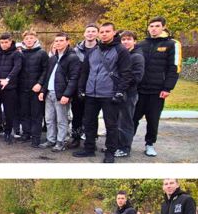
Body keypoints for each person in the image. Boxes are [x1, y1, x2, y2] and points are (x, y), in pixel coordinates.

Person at [73, 22, 133, 163]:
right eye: (102, 31)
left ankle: (110, 152)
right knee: (88, 123)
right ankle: (89, 148)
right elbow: (85, 71)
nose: (104, 34)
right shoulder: (94, 50)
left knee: (111, 125)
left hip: (109, 94)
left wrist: (119, 92)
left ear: (114, 32)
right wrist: (81, 88)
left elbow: (126, 73)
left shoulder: (121, 50)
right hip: (91, 94)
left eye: (107, 31)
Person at [133, 16, 181, 157]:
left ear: (163, 27)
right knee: (133, 118)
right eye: (151, 26)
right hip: (140, 89)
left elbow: (175, 68)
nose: (154, 28)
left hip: (157, 90)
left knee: (153, 119)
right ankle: (126, 142)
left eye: (157, 26)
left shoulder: (172, 44)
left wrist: (167, 88)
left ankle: (150, 144)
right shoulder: (141, 44)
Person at [41, 32, 81, 151]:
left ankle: (61, 141)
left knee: (61, 120)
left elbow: (74, 78)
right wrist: (43, 91)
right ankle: (51, 139)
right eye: (56, 41)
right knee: (49, 119)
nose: (58, 43)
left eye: (61, 40)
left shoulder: (72, 58)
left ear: (68, 42)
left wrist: (67, 94)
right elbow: (47, 76)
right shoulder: (53, 58)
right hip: (49, 93)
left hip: (61, 94)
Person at [114, 30, 145, 157]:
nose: (126, 41)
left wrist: (121, 85)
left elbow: (136, 77)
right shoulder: (121, 55)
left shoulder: (137, 57)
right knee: (116, 122)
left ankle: (125, 148)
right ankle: (116, 145)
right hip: (117, 93)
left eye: (129, 39)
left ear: (134, 41)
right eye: (123, 39)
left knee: (125, 122)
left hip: (128, 94)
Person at [67, 25, 98, 149]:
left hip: (95, 87)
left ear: (97, 34)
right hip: (78, 87)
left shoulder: (101, 49)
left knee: (92, 116)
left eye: (93, 31)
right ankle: (76, 138)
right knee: (77, 114)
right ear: (84, 34)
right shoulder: (75, 50)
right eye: (88, 31)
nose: (90, 34)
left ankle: (91, 140)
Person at [17, 29, 49, 144]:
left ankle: (36, 137)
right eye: (26, 39)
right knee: (24, 113)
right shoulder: (20, 54)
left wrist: (40, 84)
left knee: (36, 114)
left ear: (35, 39)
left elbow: (46, 70)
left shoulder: (42, 53)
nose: (29, 40)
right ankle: (26, 133)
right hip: (23, 89)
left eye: (31, 38)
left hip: (36, 89)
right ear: (23, 40)